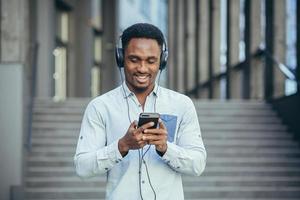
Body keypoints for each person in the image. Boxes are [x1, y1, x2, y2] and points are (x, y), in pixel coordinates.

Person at [74, 23, 206, 200]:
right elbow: (82, 168)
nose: (142, 69)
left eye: (151, 61)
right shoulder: (100, 107)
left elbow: (198, 165)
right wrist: (122, 146)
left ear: (162, 61)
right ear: (121, 58)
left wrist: (165, 148)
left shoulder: (182, 104)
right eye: (134, 59)